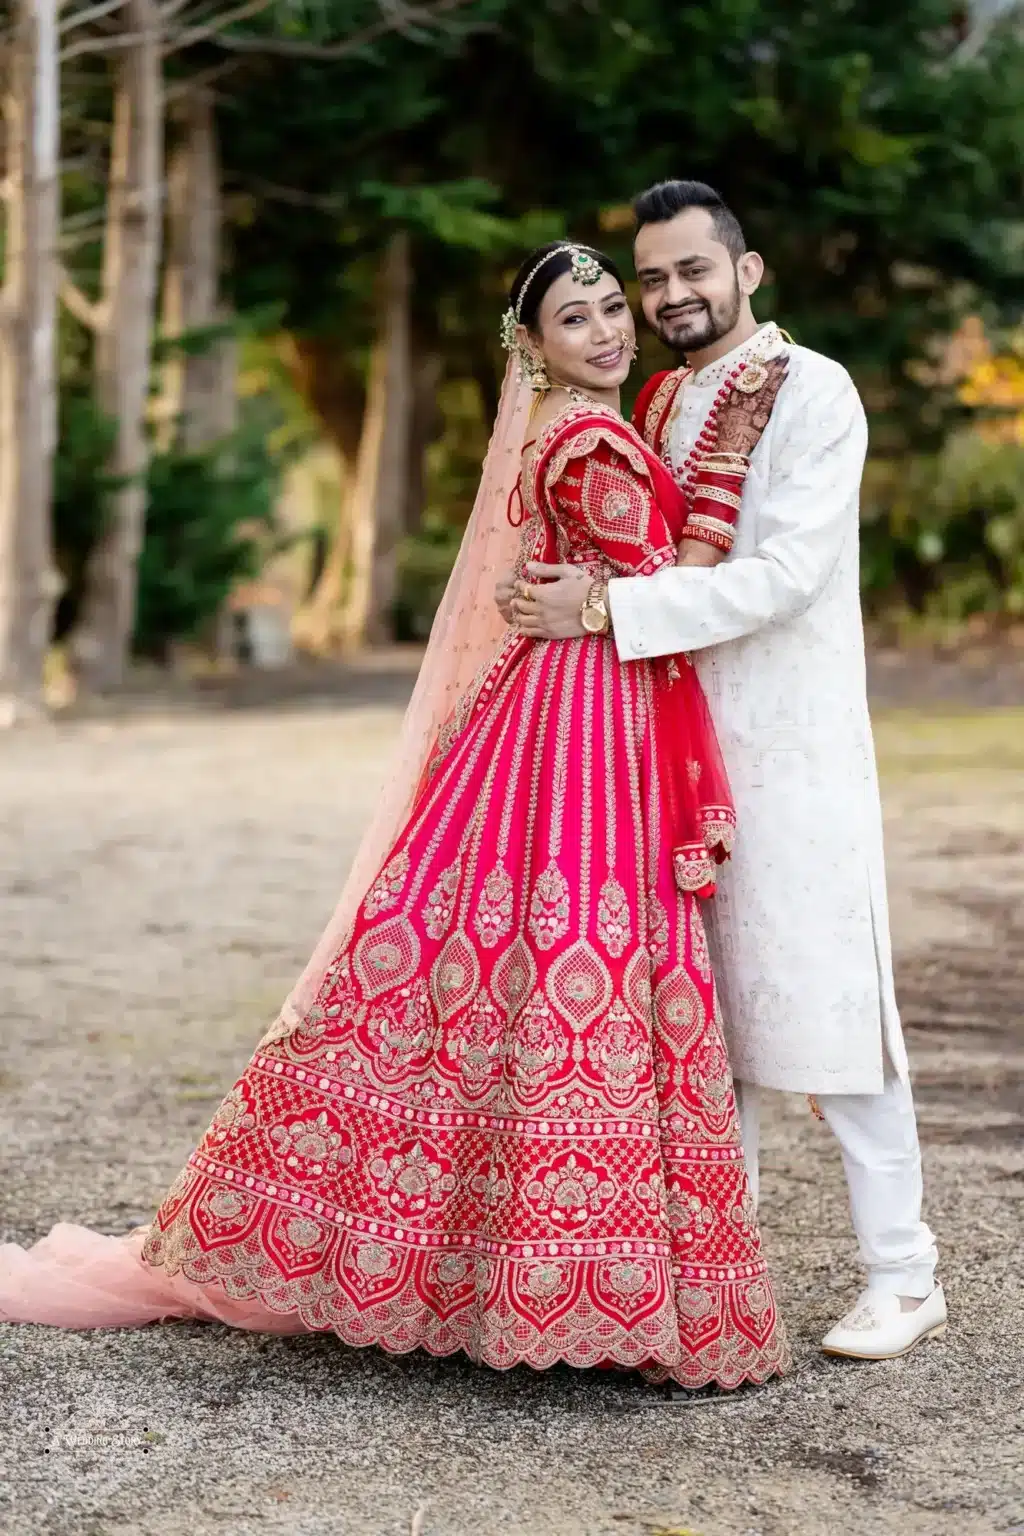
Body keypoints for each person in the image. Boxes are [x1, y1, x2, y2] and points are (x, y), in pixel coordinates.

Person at [0, 242, 792, 1391]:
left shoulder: (578, 428)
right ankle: (549, 1274)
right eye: (578, 321)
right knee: (575, 962)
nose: (610, 330)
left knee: (508, 971)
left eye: (613, 306)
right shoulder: (586, 438)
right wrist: (722, 461)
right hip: (576, 729)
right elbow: (672, 577)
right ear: (537, 348)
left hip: (565, 713)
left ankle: (501, 1263)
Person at [505, 183, 945, 1362]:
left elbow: (784, 576)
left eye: (693, 270)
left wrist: (604, 606)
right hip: (669, 741)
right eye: (651, 279)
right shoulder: (658, 398)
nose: (668, 296)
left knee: (829, 1000)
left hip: (788, 744)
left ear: (746, 271)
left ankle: (904, 1274)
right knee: (697, 1013)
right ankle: (711, 1266)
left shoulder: (814, 390)